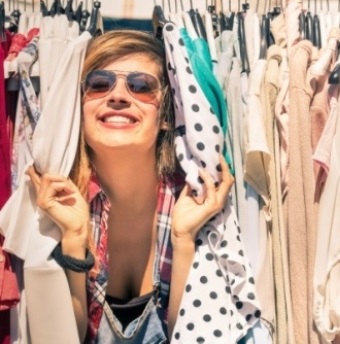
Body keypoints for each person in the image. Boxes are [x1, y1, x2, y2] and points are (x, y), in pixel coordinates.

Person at [26, 30, 234, 343]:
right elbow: (64, 337)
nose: (118, 96)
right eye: (99, 83)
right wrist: (73, 240)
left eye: (140, 86)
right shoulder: (57, 201)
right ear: (79, 109)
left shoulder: (191, 198)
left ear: (165, 116)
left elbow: (188, 334)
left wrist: (183, 239)